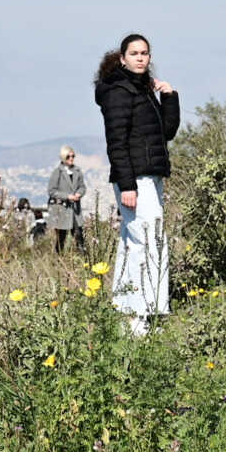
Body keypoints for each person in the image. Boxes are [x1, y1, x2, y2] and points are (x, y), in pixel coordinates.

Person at [95, 33, 180, 337]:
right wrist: (127, 184)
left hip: (151, 177)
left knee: (135, 243)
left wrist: (169, 97)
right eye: (134, 53)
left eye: (145, 53)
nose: (141, 58)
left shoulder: (143, 90)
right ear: (122, 58)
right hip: (135, 180)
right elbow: (116, 142)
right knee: (150, 240)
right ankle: (144, 314)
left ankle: (126, 312)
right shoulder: (118, 92)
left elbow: (165, 133)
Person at [45, 148, 88, 252]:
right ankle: (59, 258)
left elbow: (82, 186)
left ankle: (82, 256)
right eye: (69, 156)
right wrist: (67, 196)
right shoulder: (57, 172)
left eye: (73, 156)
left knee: (78, 234)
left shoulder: (77, 171)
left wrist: (79, 193)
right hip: (62, 209)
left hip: (75, 210)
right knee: (61, 236)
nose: (71, 159)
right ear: (63, 157)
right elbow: (51, 191)